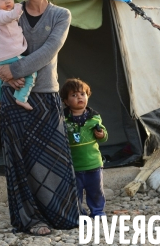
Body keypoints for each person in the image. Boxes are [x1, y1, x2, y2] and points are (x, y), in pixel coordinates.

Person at [0, 0, 80, 236]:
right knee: (19, 161)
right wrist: (3, 74)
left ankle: (61, 213)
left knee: (56, 159)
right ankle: (30, 219)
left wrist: (13, 69)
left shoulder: (60, 15)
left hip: (46, 96)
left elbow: (48, 51)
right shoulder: (9, 12)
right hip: (13, 95)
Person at [60, 78, 108, 218]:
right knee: (76, 191)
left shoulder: (94, 118)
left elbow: (104, 137)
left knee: (96, 190)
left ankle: (98, 211)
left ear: (87, 96)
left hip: (93, 162)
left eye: (82, 94)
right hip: (74, 165)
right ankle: (79, 213)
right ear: (66, 101)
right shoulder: (63, 118)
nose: (79, 97)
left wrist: (101, 134)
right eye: (74, 95)